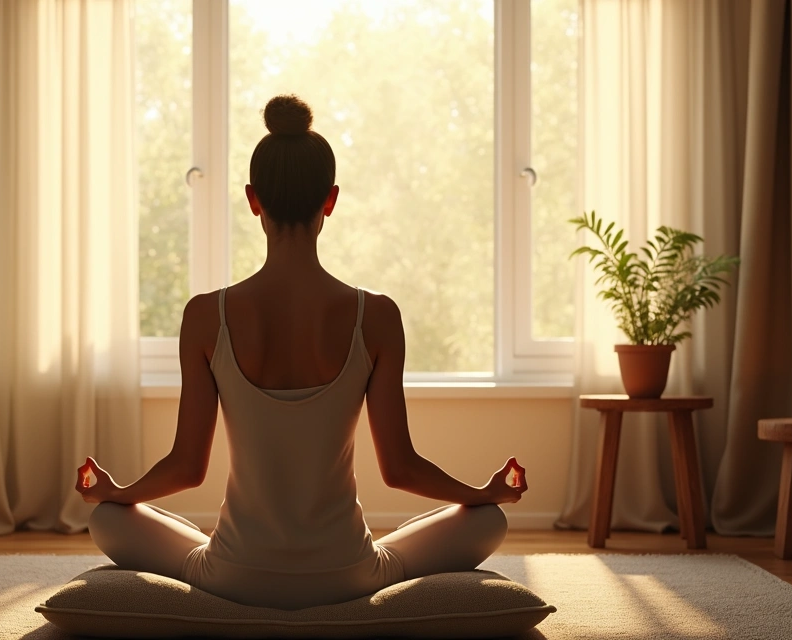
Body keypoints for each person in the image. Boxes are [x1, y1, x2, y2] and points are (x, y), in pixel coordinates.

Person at [75, 94, 528, 611]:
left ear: (253, 199)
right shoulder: (376, 316)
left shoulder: (205, 316)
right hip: (347, 575)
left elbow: (186, 469)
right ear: (330, 199)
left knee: (107, 517)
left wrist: (118, 490)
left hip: (233, 575)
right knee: (489, 520)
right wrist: (482, 492)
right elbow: (400, 469)